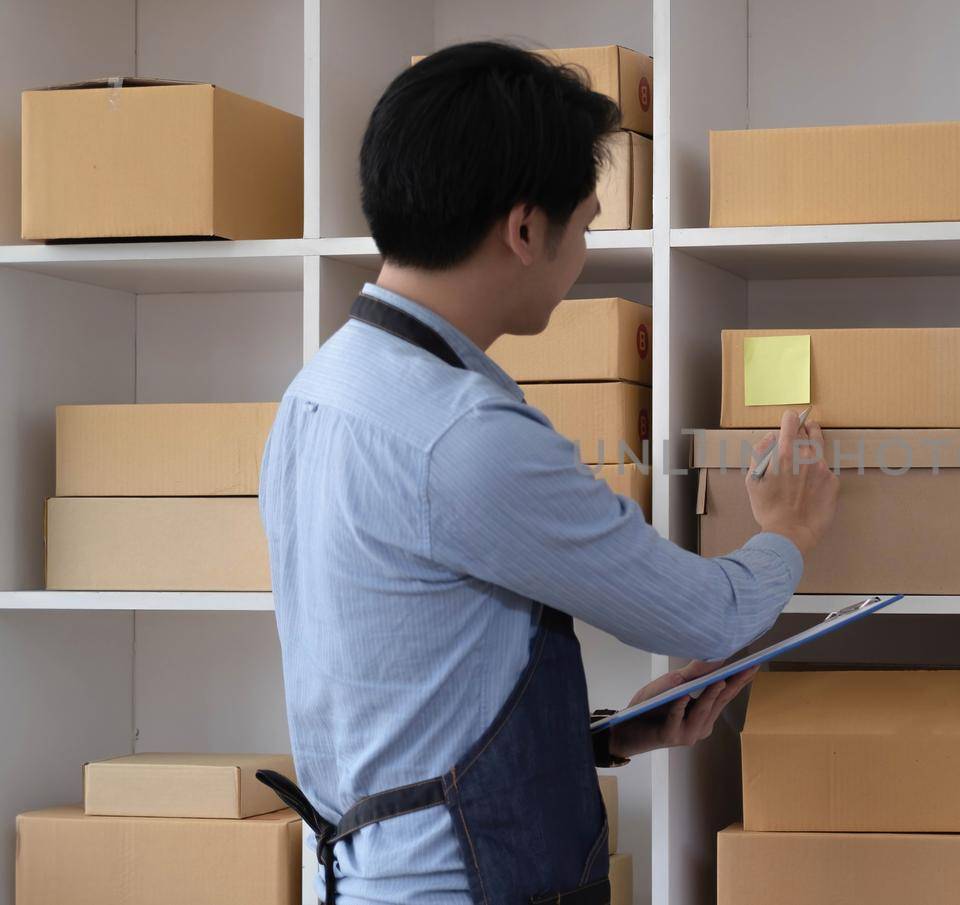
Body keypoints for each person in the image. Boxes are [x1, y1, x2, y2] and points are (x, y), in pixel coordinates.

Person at [256, 41, 838, 905]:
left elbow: (400, 693)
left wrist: (600, 737)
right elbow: (710, 614)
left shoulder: (316, 392)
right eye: (588, 222)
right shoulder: (465, 437)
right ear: (526, 229)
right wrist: (785, 531)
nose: (587, 251)